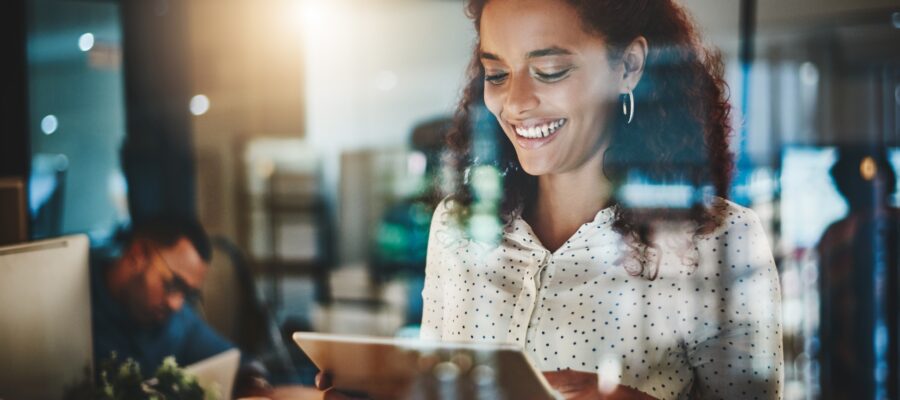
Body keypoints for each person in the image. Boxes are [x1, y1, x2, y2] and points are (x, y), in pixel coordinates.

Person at [318, 0, 783, 399]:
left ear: (628, 67)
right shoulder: (456, 227)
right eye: (497, 73)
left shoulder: (719, 242)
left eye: (550, 70)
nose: (516, 101)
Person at [91, 217, 272, 396]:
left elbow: (242, 364)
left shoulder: (176, 321)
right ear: (139, 254)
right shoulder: (80, 309)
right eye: (173, 284)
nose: (176, 304)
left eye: (188, 293)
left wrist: (254, 385)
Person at [817, 147, 899, 399]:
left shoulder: (835, 234)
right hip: (849, 356)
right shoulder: (836, 235)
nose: (872, 183)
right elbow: (829, 306)